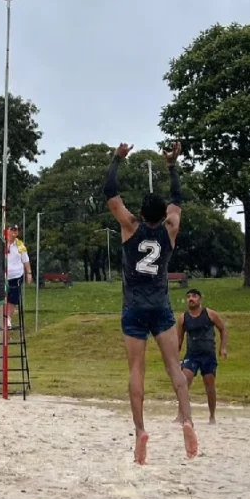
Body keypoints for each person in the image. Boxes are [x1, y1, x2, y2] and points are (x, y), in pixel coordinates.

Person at [104, 141, 198, 463]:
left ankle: (140, 430)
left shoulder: (130, 226)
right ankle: (186, 420)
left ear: (142, 214)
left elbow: (110, 192)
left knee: (136, 369)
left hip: (133, 307)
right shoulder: (171, 229)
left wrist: (117, 159)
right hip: (160, 305)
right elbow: (177, 200)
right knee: (175, 366)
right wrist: (171, 166)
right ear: (163, 215)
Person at [176, 288, 228, 424]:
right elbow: (179, 340)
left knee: (209, 386)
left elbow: (222, 328)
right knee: (184, 383)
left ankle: (212, 416)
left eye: (194, 296)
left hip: (208, 355)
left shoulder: (210, 314)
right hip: (192, 355)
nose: (191, 299)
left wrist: (222, 347)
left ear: (200, 299)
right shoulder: (183, 318)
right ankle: (180, 415)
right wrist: (175, 356)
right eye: (188, 297)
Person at [0, 224, 33, 330]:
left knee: (12, 299)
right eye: (12, 230)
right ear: (6, 231)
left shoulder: (20, 245)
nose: (14, 232)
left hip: (15, 276)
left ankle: (8, 319)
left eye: (16, 230)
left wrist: (29, 273)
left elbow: (25, 260)